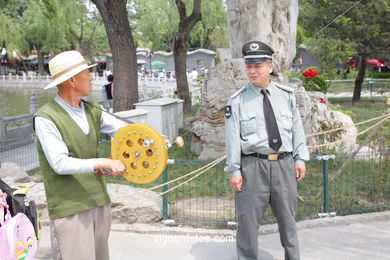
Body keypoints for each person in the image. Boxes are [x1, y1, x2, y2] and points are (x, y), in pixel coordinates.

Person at [33, 50, 127, 260]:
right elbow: (59, 163)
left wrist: (155, 140)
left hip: (98, 201)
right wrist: (101, 162)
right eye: (87, 73)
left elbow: (125, 131)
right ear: (73, 80)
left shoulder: (92, 110)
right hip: (70, 208)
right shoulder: (46, 118)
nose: (92, 77)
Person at [224, 40, 309, 260]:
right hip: (253, 167)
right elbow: (232, 139)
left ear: (269, 67)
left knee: (289, 222)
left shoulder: (286, 96)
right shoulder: (238, 101)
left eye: (257, 66)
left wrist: (300, 159)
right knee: (248, 224)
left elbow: (296, 130)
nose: (252, 71)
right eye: (249, 67)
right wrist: (234, 171)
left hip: (284, 165)